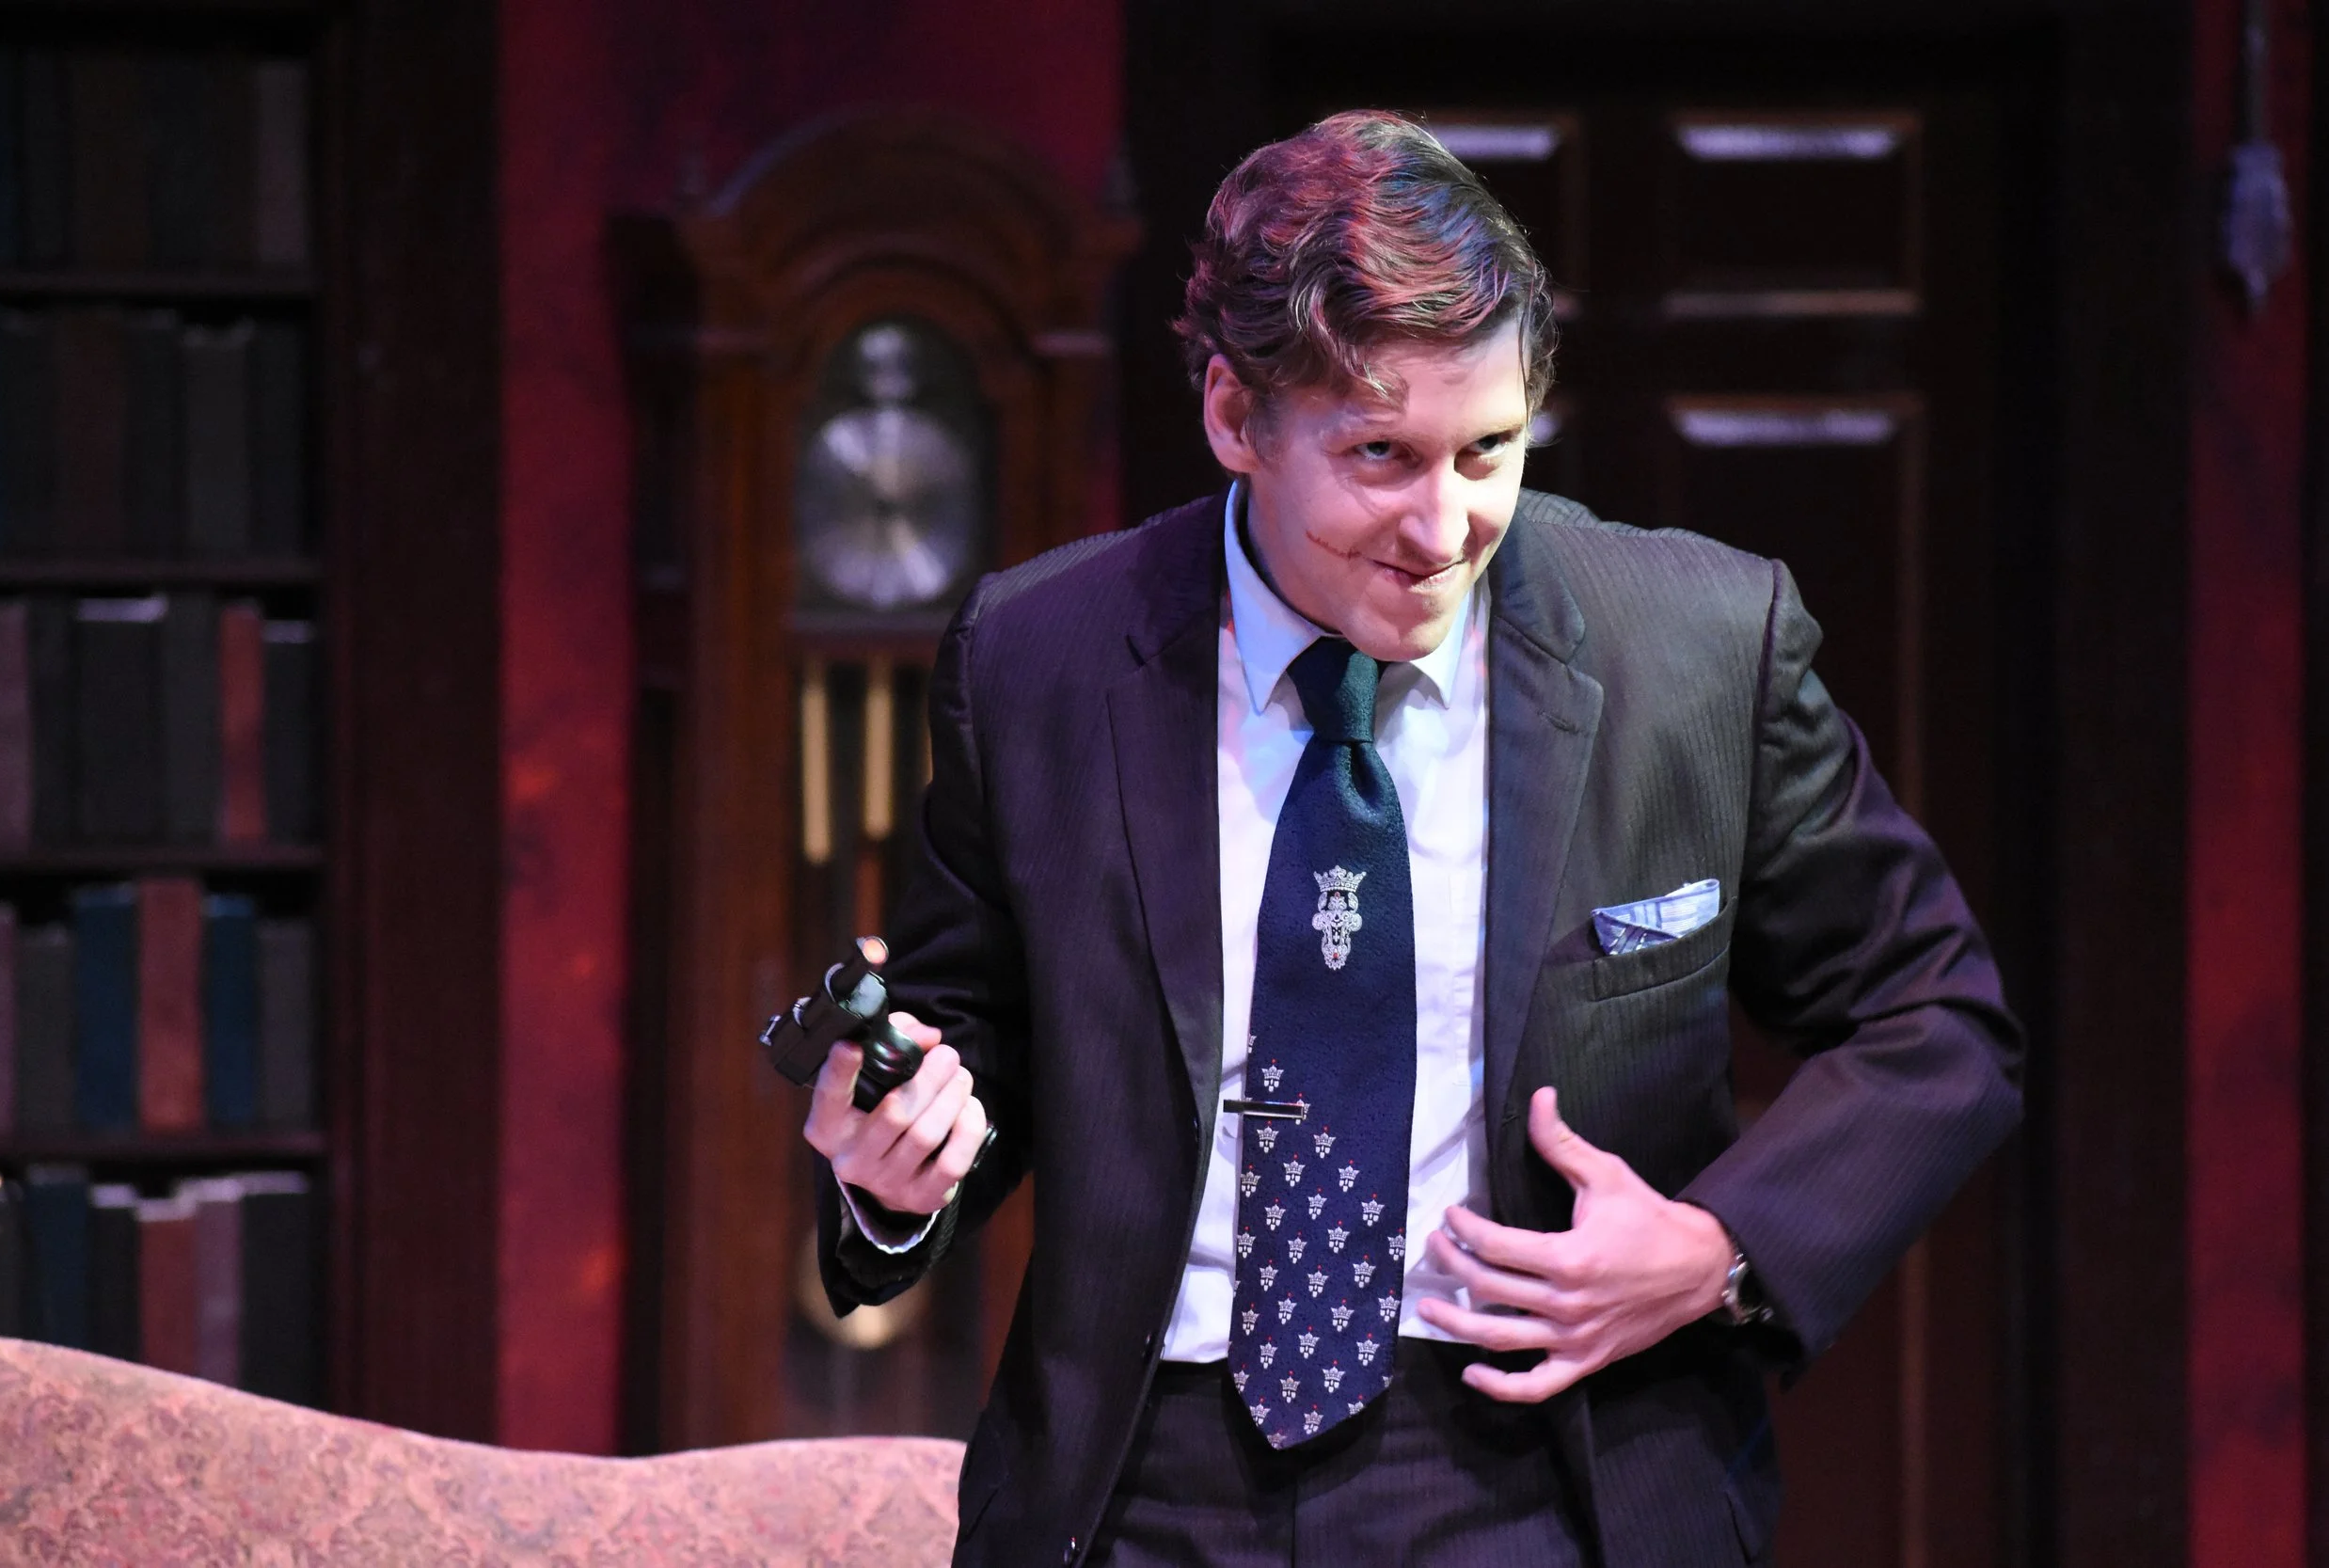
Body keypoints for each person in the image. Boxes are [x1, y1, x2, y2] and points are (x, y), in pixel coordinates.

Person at [800, 109, 2021, 1568]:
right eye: (1381, 453)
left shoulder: (1697, 647)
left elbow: (1937, 1018)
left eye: (1488, 450)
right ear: (1235, 418)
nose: (1442, 527)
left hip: (1544, 1460)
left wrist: (1718, 1254)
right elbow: (972, 1039)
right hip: (1145, 1472)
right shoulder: (1039, 657)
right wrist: (897, 1165)